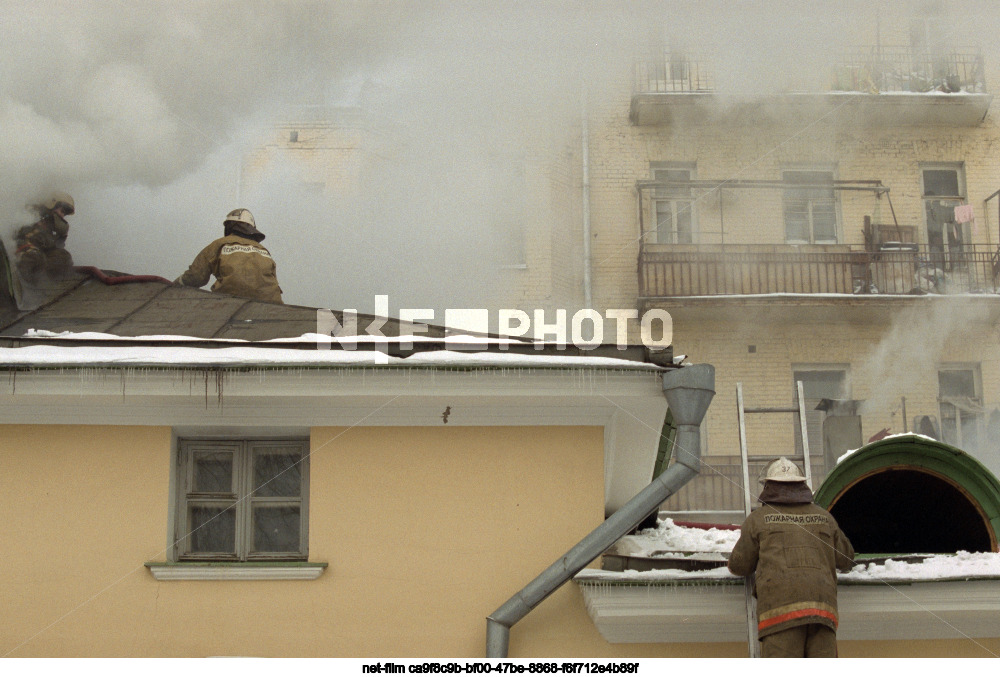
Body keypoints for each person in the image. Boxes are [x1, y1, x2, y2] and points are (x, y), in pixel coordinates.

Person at [728, 457, 855, 658]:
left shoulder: (758, 520)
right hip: (823, 613)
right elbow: (847, 559)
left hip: (779, 614)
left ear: (768, 487)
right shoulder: (824, 517)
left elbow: (739, 566)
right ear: (802, 485)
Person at [176, 208, 283, 304]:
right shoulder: (263, 250)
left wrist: (174, 285)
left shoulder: (219, 244)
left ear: (229, 227)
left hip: (230, 304)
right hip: (272, 306)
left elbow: (196, 277)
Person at [15, 191, 75, 282]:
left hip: (40, 266)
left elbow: (56, 248)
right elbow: (22, 242)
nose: (62, 216)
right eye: (62, 211)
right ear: (51, 205)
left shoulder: (52, 230)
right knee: (35, 257)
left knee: (64, 257)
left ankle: (46, 282)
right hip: (22, 260)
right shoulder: (32, 219)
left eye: (64, 213)